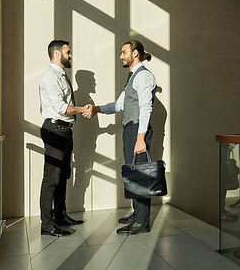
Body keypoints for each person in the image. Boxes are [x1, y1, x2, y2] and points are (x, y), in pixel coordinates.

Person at [93, 39, 157, 236]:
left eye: (123, 52)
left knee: (140, 177)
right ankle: (137, 213)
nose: (121, 56)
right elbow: (119, 104)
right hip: (130, 130)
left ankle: (141, 222)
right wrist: (96, 109)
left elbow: (146, 107)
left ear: (135, 53)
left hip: (138, 130)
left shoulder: (143, 76)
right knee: (132, 175)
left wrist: (140, 137)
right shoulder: (133, 78)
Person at [39, 40, 94, 237]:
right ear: (56, 53)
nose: (70, 56)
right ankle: (47, 223)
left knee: (62, 177)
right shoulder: (51, 78)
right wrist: (83, 109)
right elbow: (62, 107)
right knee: (51, 178)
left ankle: (61, 216)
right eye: (67, 52)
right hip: (54, 130)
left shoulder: (62, 76)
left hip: (64, 130)